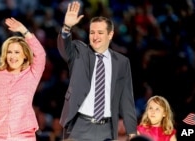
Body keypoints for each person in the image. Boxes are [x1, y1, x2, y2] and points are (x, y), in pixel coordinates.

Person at [57, 1, 137, 140]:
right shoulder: (79, 52)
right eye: (92, 32)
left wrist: (131, 130)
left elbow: (126, 98)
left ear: (110, 35)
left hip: (107, 129)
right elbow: (65, 48)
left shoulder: (122, 62)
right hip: (79, 126)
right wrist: (67, 27)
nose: (95, 36)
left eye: (100, 32)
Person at [0, 17, 46, 141]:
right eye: (10, 52)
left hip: (24, 135)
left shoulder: (31, 74)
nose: (13, 56)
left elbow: (41, 55)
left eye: (17, 52)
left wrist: (24, 31)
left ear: (25, 56)